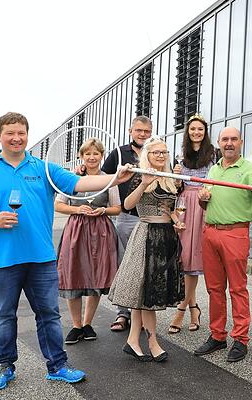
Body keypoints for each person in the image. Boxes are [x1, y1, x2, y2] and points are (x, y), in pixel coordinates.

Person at [0, 112, 132, 390]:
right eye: (10, 133)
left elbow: (79, 184)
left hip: (41, 258)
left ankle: (58, 366)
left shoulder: (43, 169)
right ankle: (4, 367)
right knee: (3, 315)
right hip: (3, 259)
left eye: (21, 133)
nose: (16, 138)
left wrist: (114, 179)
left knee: (49, 314)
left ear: (28, 135)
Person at [192, 127, 252, 363]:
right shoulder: (214, 169)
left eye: (233, 139)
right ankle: (217, 335)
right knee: (214, 289)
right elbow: (205, 203)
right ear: (218, 143)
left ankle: (240, 339)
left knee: (237, 288)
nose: (229, 143)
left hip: (235, 233)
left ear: (241, 142)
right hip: (210, 233)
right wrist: (201, 199)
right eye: (225, 139)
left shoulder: (249, 169)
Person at [108, 137, 186, 363]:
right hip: (146, 235)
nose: (161, 156)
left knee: (145, 292)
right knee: (145, 291)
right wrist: (143, 183)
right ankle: (151, 341)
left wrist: (176, 220)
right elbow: (128, 206)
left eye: (164, 152)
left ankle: (133, 341)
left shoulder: (171, 179)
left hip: (166, 237)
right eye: (156, 153)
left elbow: (169, 209)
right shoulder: (140, 175)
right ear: (147, 155)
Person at [55, 138, 121, 345]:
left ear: (102, 156)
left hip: (101, 230)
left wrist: (104, 210)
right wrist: (77, 209)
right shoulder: (72, 177)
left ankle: (87, 323)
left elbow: (117, 208)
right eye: (87, 154)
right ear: (81, 156)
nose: (92, 157)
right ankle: (76, 325)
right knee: (72, 274)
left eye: (96, 154)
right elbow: (58, 205)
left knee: (96, 276)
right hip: (76, 229)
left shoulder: (108, 179)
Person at [102, 115, 153, 332]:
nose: (142, 134)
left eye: (146, 131)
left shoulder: (156, 152)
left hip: (150, 219)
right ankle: (123, 313)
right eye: (139, 130)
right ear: (130, 130)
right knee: (125, 266)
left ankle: (140, 314)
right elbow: (103, 178)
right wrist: (82, 172)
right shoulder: (119, 153)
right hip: (127, 216)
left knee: (145, 269)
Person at [167, 114, 216, 334]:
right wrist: (176, 176)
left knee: (194, 257)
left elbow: (214, 182)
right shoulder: (181, 156)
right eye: (193, 129)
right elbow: (176, 187)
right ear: (188, 132)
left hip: (203, 204)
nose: (196, 132)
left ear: (205, 133)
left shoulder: (213, 154)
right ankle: (194, 307)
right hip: (184, 205)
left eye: (200, 130)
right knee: (184, 258)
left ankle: (181, 308)